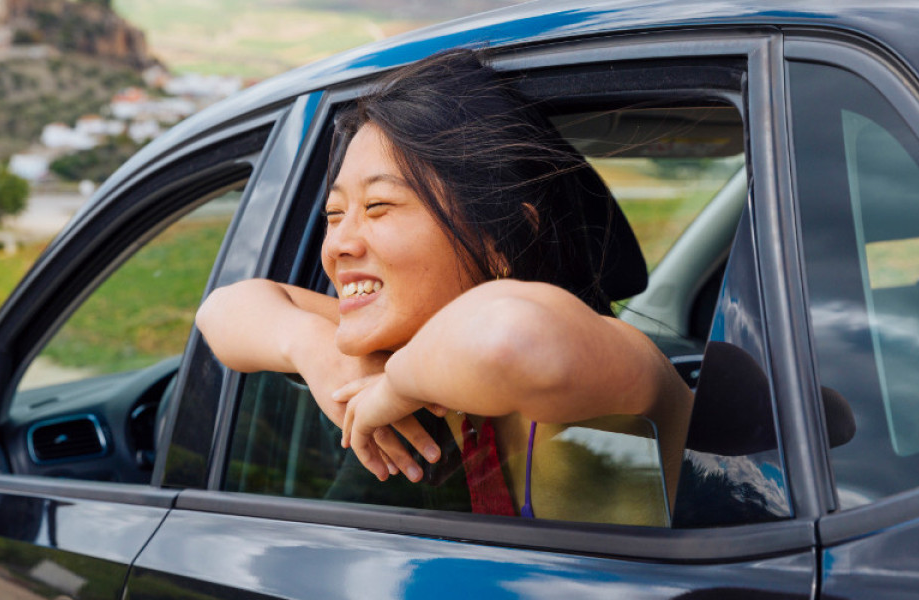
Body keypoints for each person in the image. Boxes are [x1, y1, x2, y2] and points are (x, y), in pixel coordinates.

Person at [196, 48, 692, 522]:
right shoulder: (409, 339)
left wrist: (395, 384)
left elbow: (512, 339)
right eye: (333, 214)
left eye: (378, 207)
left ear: (500, 241)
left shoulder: (613, 362)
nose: (337, 245)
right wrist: (320, 355)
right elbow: (222, 309)